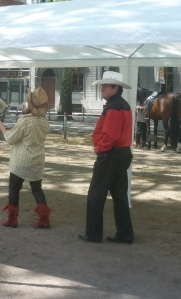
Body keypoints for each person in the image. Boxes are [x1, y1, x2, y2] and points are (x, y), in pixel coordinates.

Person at [79, 71, 134, 244]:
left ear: (115, 88)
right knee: (119, 195)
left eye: (105, 86)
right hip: (122, 154)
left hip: (110, 155)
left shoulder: (113, 107)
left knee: (96, 194)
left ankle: (94, 233)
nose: (102, 89)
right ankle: (125, 234)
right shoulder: (123, 105)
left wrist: (100, 149)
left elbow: (109, 135)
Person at [0, 87, 51, 229]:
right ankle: (44, 220)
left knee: (14, 189)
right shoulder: (44, 122)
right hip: (37, 161)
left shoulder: (25, 121)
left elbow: (10, 139)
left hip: (21, 162)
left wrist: (1, 127)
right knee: (37, 190)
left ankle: (12, 220)